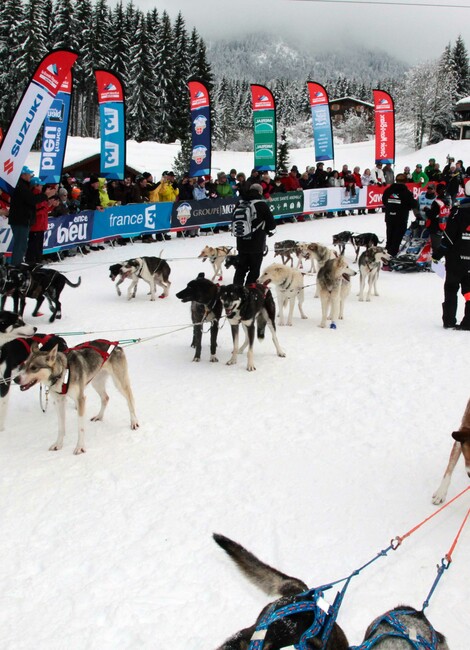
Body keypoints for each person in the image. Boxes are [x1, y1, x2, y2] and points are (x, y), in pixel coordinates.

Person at [433, 182, 470, 329]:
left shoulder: (458, 211)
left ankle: (449, 320)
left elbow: (448, 237)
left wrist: (437, 255)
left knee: (451, 289)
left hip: (456, 259)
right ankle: (468, 321)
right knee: (469, 292)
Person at [8, 166, 56, 266]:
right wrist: (46, 195)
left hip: (22, 220)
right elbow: (32, 200)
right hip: (21, 220)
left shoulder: (23, 186)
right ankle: (16, 266)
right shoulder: (21, 186)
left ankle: (17, 265)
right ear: (23, 175)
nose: (30, 175)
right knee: (21, 245)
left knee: (22, 245)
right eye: (29, 174)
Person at [233, 183, 276, 286]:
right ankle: (249, 292)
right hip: (256, 242)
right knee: (254, 269)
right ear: (260, 192)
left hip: (241, 242)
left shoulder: (240, 203)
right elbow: (272, 225)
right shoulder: (261, 204)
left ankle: (236, 291)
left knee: (241, 268)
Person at [382, 173, 419, 267]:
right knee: (396, 239)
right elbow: (412, 204)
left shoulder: (388, 190)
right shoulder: (406, 192)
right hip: (400, 218)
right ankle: (390, 260)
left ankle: (386, 257)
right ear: (405, 182)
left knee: (389, 238)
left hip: (389, 218)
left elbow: (384, 201)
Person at [26, 177, 50, 264]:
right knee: (34, 246)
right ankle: (32, 262)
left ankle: (37, 261)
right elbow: (34, 211)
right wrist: (44, 209)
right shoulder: (34, 196)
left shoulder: (40, 195)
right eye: (40, 185)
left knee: (38, 246)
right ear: (36, 185)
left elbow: (44, 208)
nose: (41, 187)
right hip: (36, 226)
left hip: (41, 225)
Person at [426, 183, 452, 256]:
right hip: (444, 224)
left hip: (435, 226)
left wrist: (427, 210)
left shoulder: (437, 202)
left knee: (436, 247)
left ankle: (435, 261)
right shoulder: (449, 200)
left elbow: (432, 215)